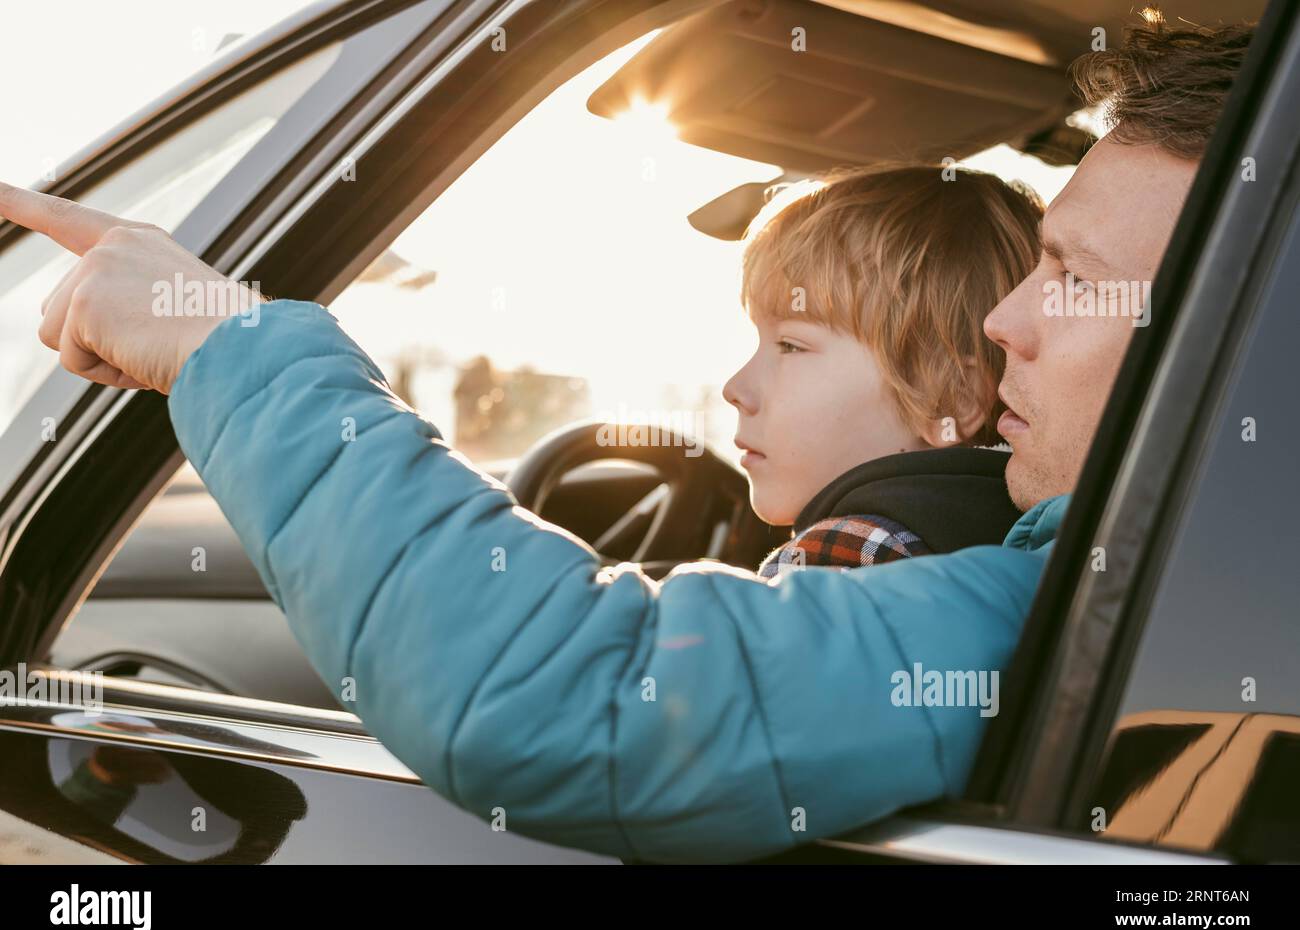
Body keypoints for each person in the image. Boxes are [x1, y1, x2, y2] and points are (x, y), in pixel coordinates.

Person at [0, 16, 1251, 862]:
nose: (1006, 323)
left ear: (1222, 338)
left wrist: (221, 343)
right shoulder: (1134, 584)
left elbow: (575, 691)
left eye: (1072, 277)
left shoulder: (994, 589)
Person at [723, 164, 1038, 578]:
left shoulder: (845, 556)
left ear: (951, 399)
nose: (735, 389)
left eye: (790, 345)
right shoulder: (1015, 539)